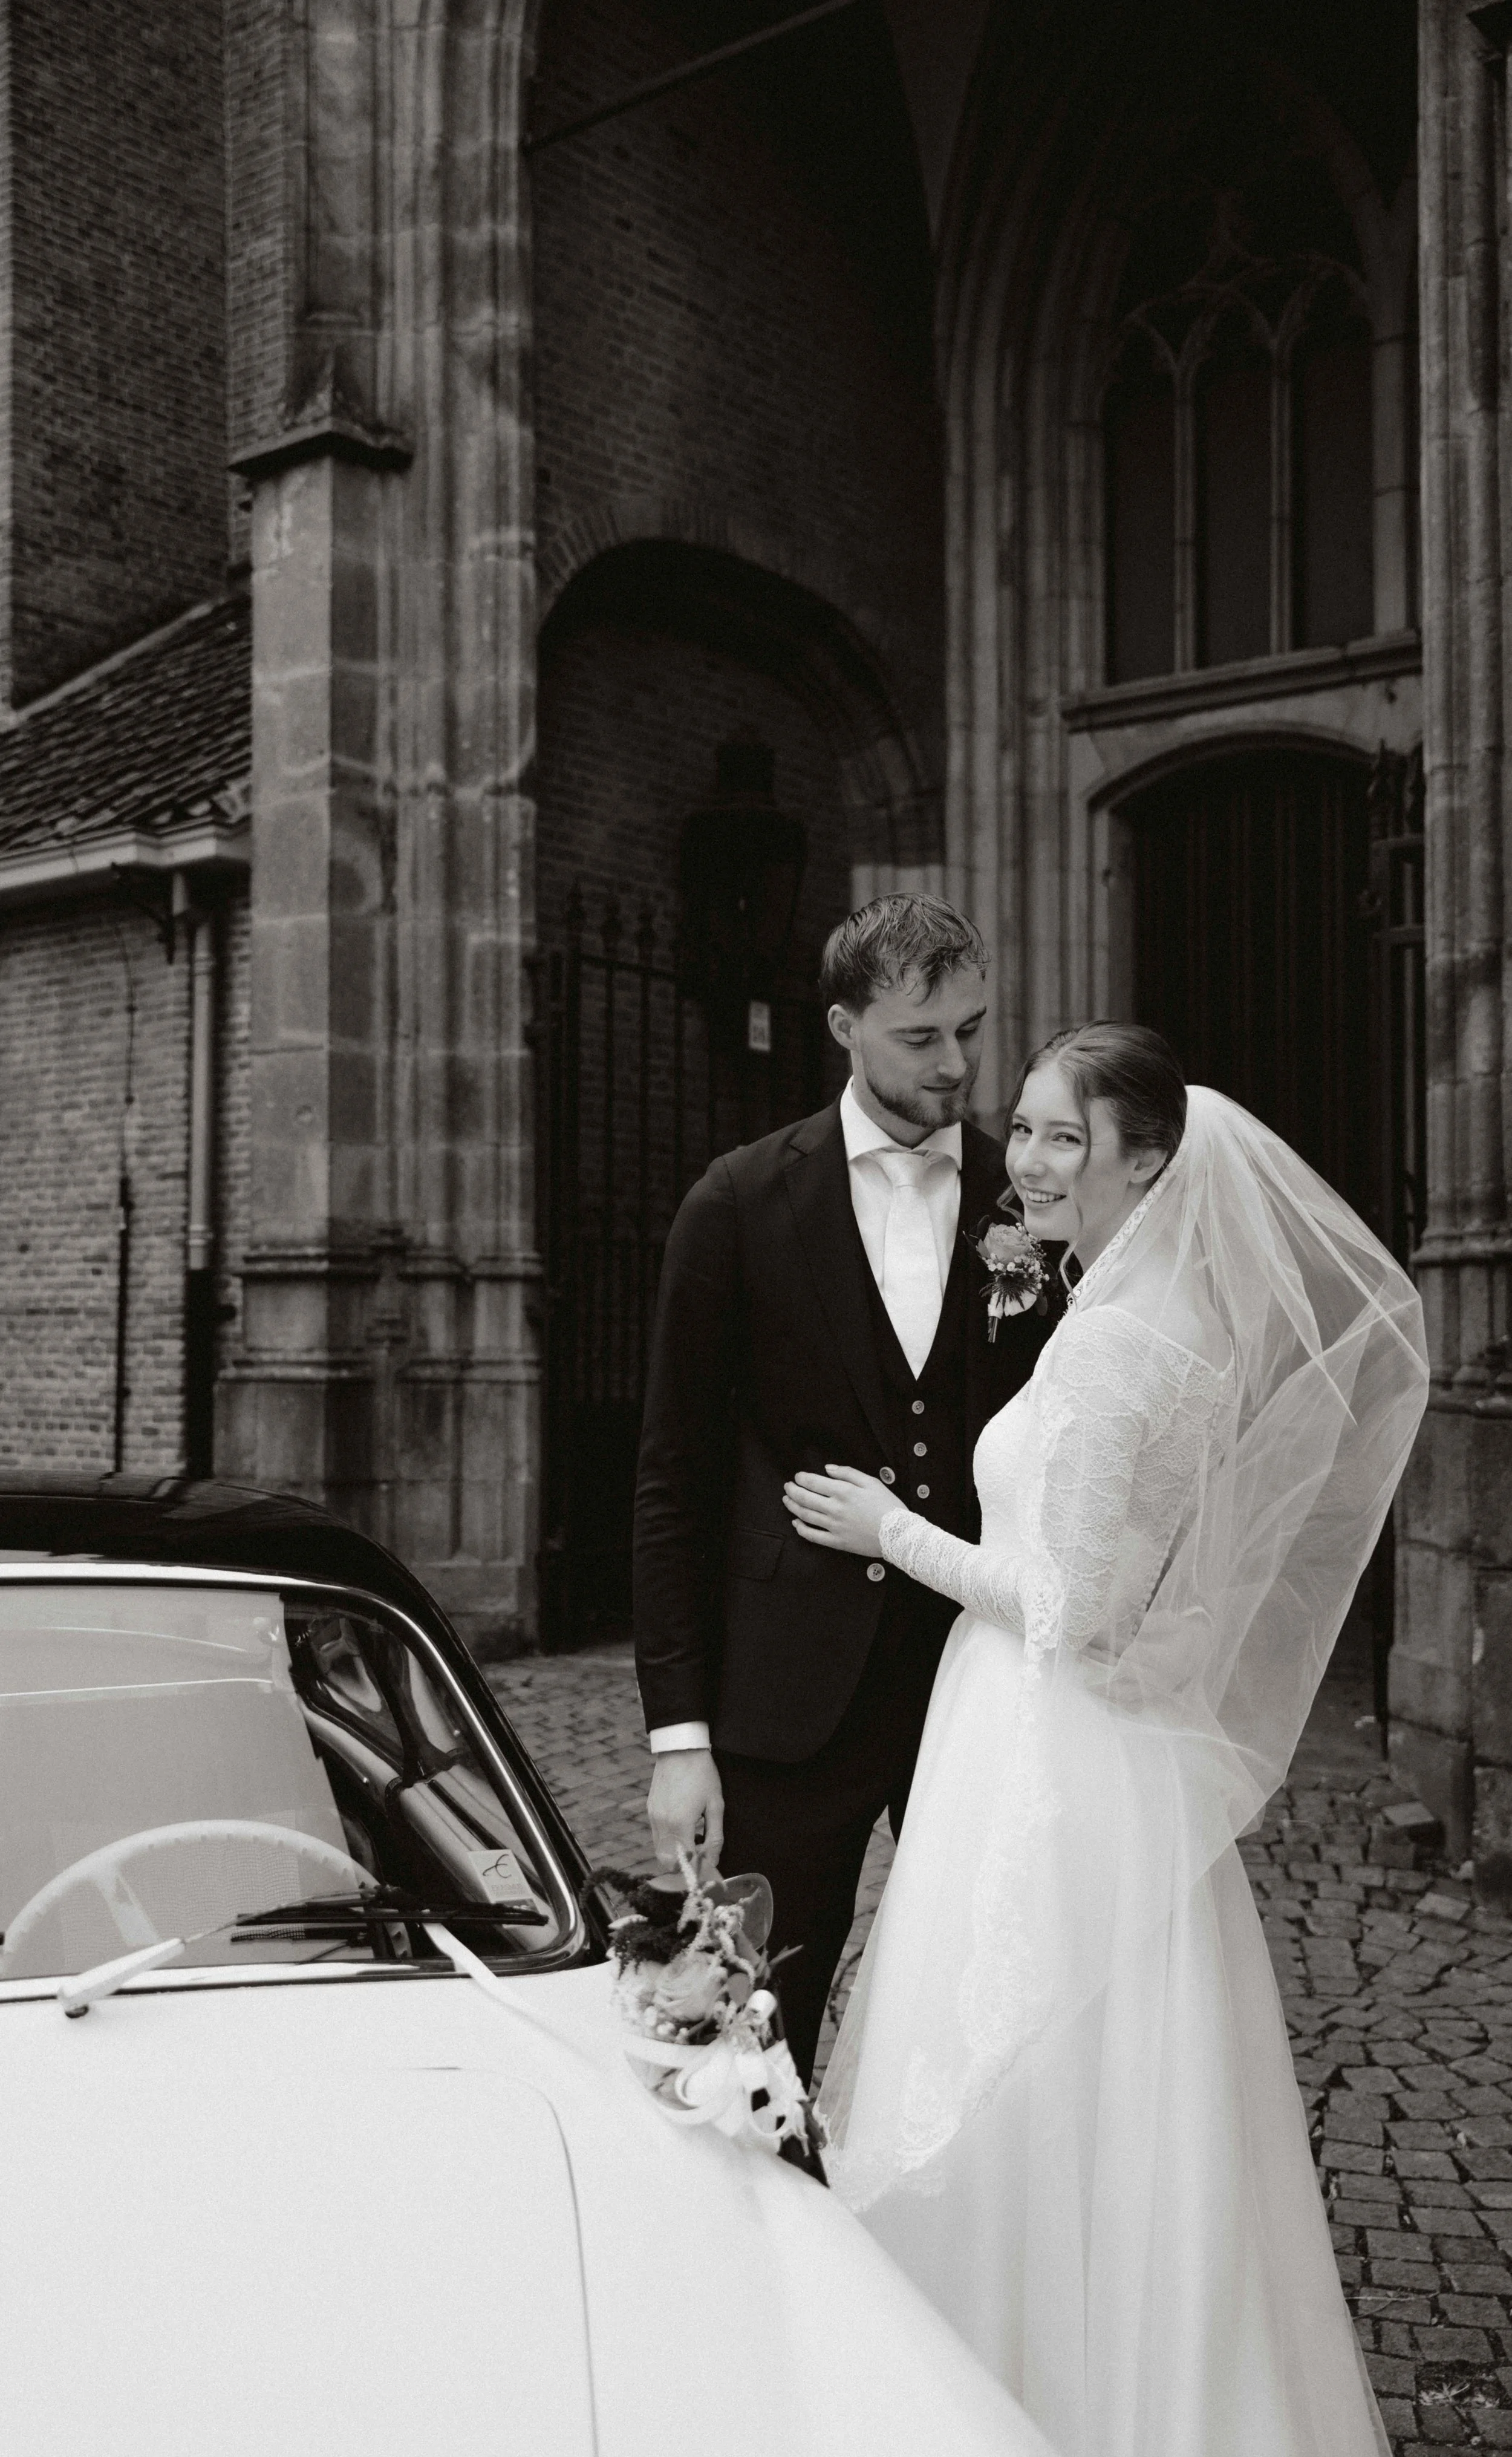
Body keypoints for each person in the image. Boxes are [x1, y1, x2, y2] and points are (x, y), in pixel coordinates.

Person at [785, 1023, 1429, 2457]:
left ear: (1149, 1161)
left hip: (1045, 1745)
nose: (1024, 1160)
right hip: (1051, 1743)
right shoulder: (1135, 1311)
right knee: (1098, 2084)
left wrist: (891, 1531)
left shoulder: (1129, 1347)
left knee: (1030, 2076)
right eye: (1019, 1130)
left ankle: (1018, 2398)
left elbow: (1072, 1613)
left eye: (1063, 1138)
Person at [632, 895, 1057, 2087]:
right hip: (782, 1705)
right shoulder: (736, 1203)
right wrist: (679, 1739)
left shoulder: (1025, 1207)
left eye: (969, 1030)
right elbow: (674, 1481)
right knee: (738, 2039)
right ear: (841, 1027)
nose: (957, 1065)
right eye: (920, 1038)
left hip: (971, 1687)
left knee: (989, 2029)